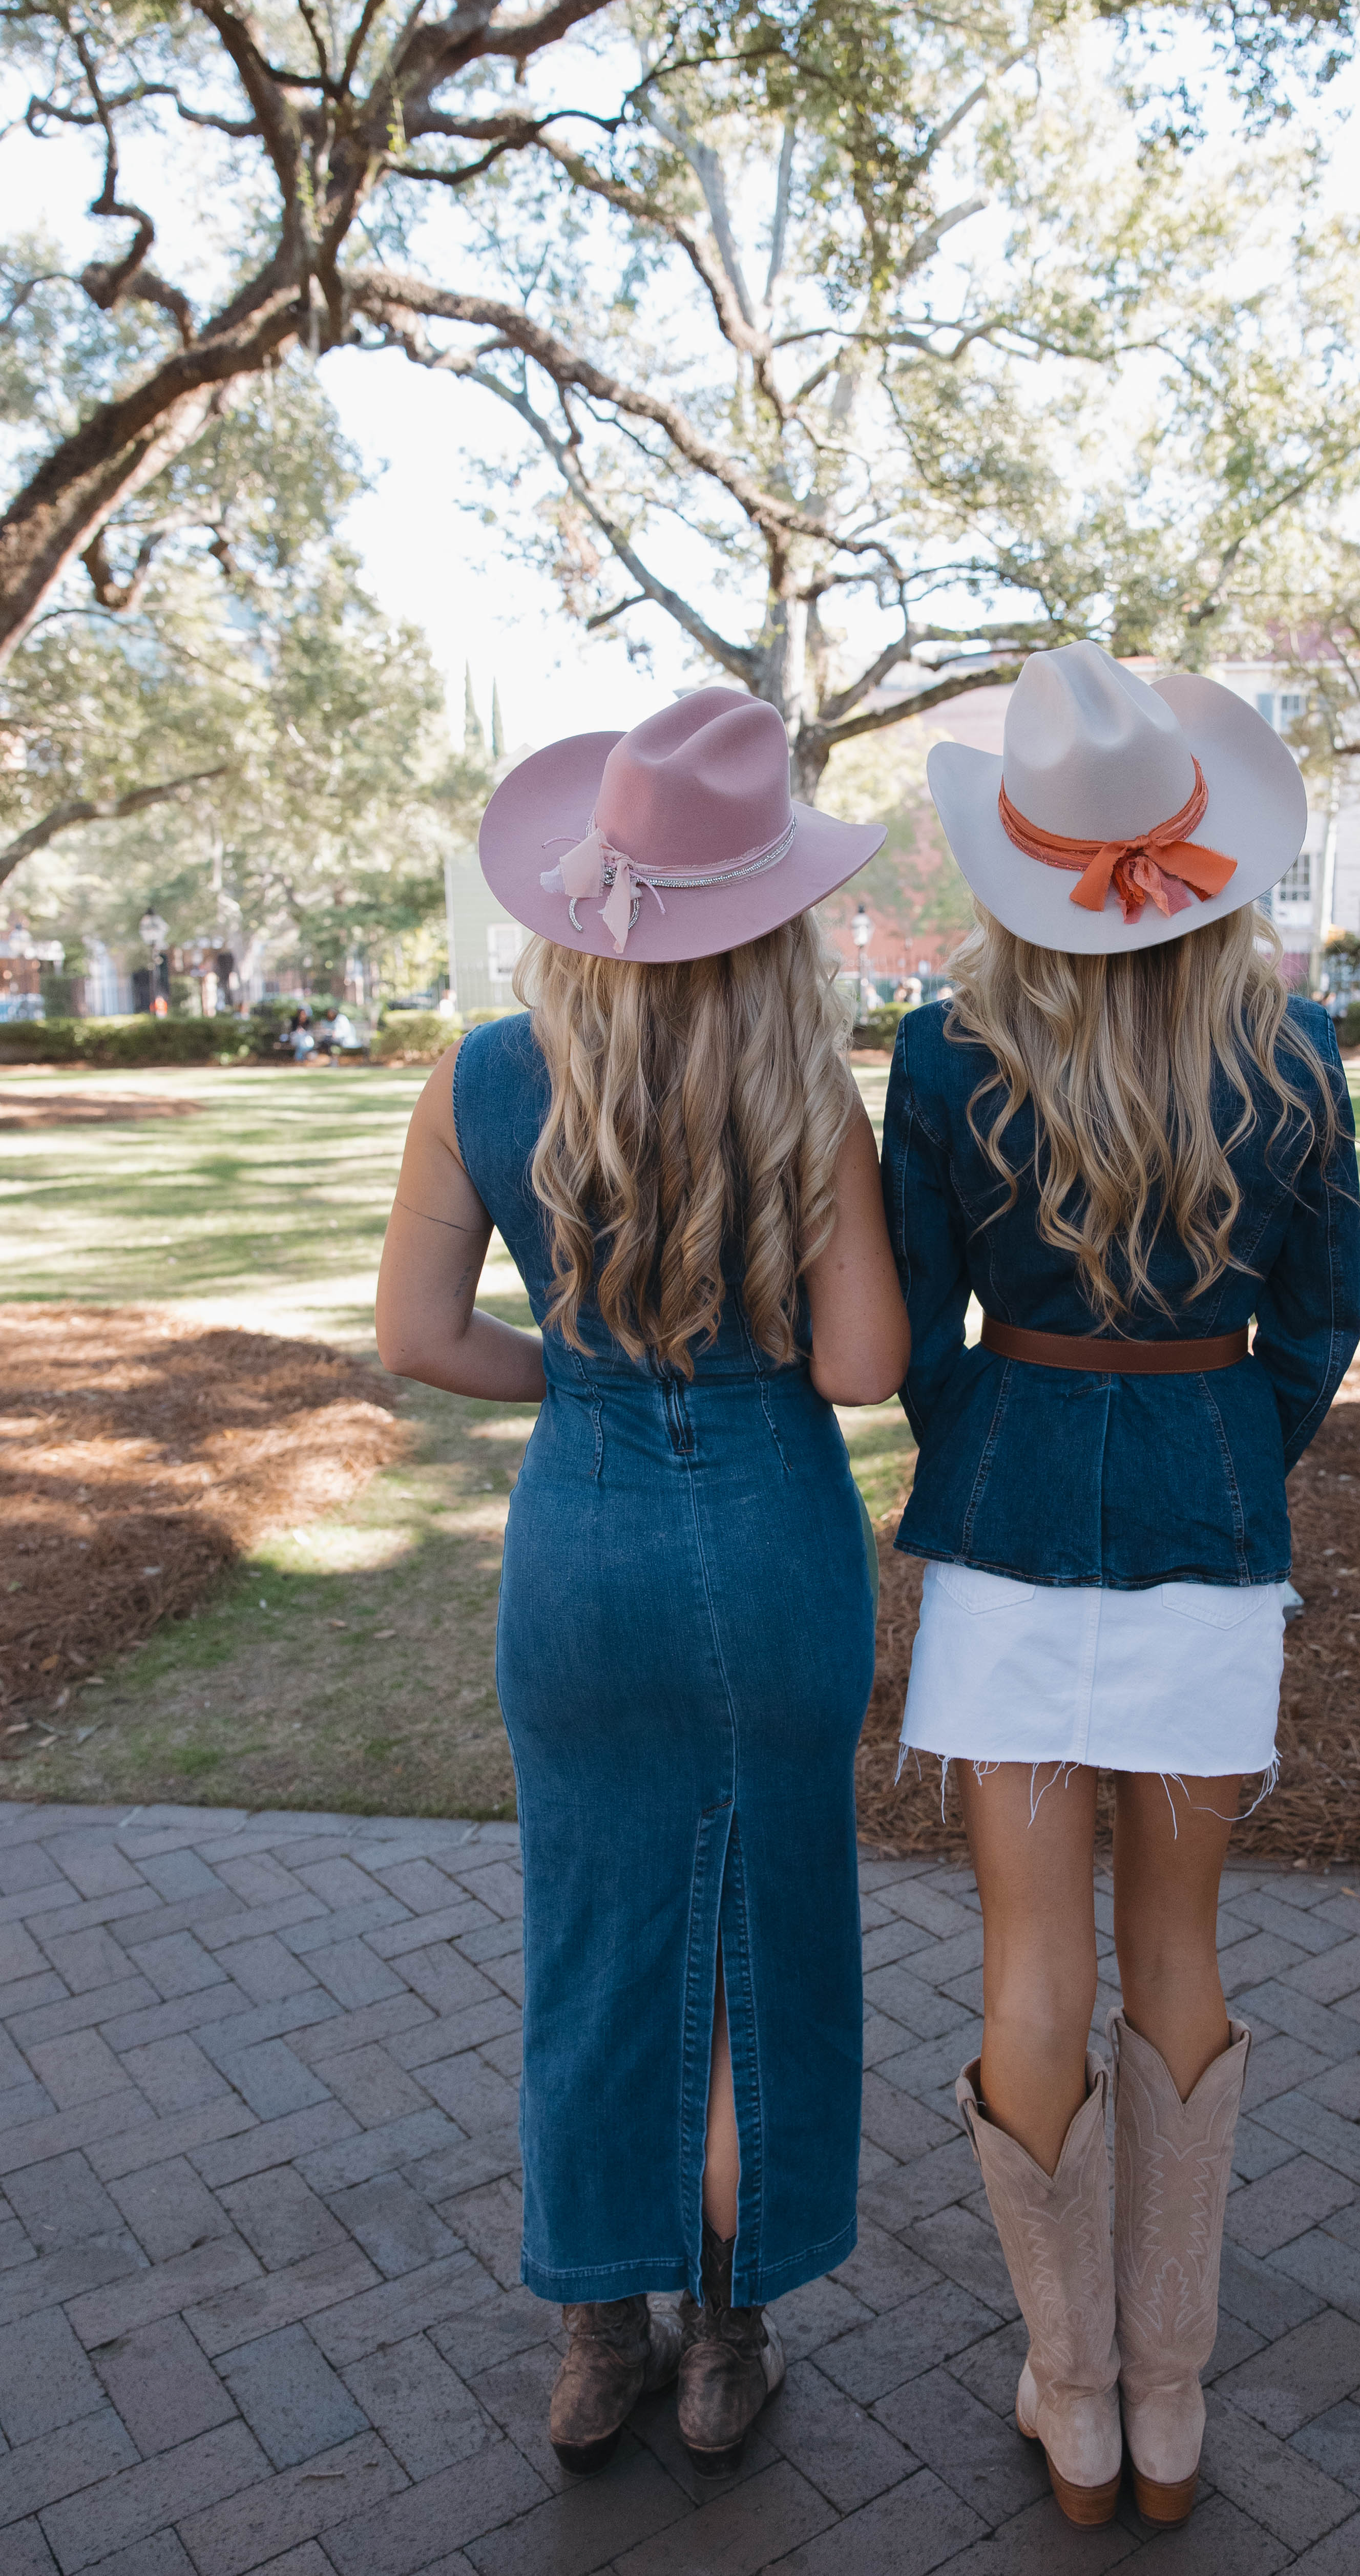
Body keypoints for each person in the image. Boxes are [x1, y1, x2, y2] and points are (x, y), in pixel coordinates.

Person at [376, 689, 908, 2479]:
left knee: (593, 1947)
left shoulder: (482, 1076)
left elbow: (419, 1339)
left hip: (583, 1554)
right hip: (773, 1551)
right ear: (770, 916)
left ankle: (597, 2335)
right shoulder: (808, 1094)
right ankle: (723, 2342)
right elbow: (856, 1371)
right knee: (768, 1943)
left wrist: (582, 1383)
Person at [884, 645, 1360, 2528]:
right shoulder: (1294, 1050)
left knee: (1025, 1963)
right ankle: (1166, 2406)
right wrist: (1225, 1452)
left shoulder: (940, 1049)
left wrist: (994, 1428)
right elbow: (1314, 1329)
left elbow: (919, 1326)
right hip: (1205, 1542)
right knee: (1175, 1951)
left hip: (1005, 1542)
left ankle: (1071, 2399)